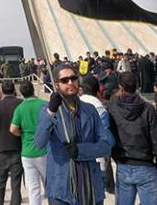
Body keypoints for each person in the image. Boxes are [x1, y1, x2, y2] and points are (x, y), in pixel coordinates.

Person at [35, 62, 111, 205]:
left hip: (90, 186)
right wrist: (51, 112)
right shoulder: (49, 111)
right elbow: (39, 143)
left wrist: (81, 150)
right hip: (61, 187)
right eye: (64, 80)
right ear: (56, 84)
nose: (70, 82)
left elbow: (106, 145)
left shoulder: (90, 110)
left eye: (73, 78)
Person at [108, 71, 157, 205]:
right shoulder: (148, 109)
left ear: (120, 87)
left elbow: (110, 136)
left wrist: (116, 157)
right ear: (137, 86)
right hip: (146, 164)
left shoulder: (113, 108)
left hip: (124, 164)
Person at [11, 81, 47, 205]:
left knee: (33, 188)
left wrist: (22, 133)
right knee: (49, 184)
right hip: (44, 150)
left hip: (27, 152)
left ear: (21, 93)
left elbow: (13, 129)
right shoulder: (44, 104)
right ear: (33, 90)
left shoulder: (20, 108)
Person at [79, 75, 116, 194]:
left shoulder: (75, 104)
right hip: (98, 157)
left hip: (79, 157)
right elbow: (106, 137)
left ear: (82, 89)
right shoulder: (99, 107)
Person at [0, 82, 22, 205]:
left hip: (0, 149)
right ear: (14, 89)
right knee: (16, 184)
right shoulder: (20, 103)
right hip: (17, 148)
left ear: (2, 91)